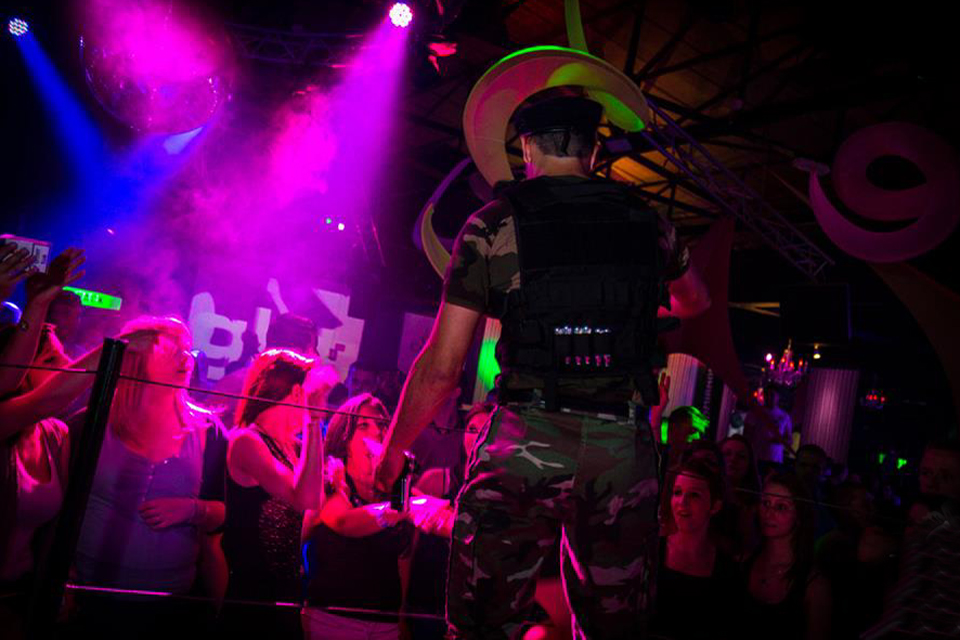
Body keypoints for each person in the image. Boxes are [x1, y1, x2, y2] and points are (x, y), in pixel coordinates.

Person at [375, 93, 709, 639]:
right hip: (621, 449)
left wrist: (392, 455)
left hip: (525, 441)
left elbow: (442, 366)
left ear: (528, 148)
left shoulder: (493, 225)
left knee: (484, 624)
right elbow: (696, 301)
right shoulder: (650, 224)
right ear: (593, 152)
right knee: (614, 627)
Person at [71, 316, 227, 639]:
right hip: (89, 594)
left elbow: (226, 515)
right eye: (171, 350)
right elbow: (60, 509)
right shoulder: (92, 420)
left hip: (170, 602)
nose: (186, 359)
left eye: (187, 350)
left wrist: (192, 510)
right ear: (135, 358)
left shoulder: (208, 431)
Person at [221, 348, 323, 637]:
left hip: (287, 589)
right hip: (251, 594)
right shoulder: (247, 441)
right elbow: (304, 499)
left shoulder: (295, 447)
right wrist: (314, 421)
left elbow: (313, 506)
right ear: (296, 392)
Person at [301, 393, 412, 640]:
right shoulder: (331, 481)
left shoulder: (394, 490)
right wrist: (395, 510)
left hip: (385, 624)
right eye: (363, 425)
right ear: (345, 438)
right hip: (334, 621)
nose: (376, 432)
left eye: (381, 425)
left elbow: (404, 557)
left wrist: (402, 615)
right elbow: (343, 521)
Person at [652, 458, 739, 639]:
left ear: (715, 506)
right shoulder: (652, 552)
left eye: (694, 495)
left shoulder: (726, 569)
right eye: (677, 492)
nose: (682, 503)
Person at [738, 472, 831, 640]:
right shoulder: (742, 562)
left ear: (799, 515)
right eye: (766, 503)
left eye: (781, 507)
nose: (769, 513)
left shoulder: (814, 586)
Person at [717, 435, 762, 559]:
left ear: (749, 464)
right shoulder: (706, 495)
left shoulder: (756, 503)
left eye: (741, 456)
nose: (733, 459)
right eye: (727, 454)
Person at [744, 385, 793, 468]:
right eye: (767, 394)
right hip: (757, 457)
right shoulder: (755, 412)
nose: (769, 397)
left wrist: (779, 440)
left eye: (772, 395)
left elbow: (789, 440)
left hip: (776, 459)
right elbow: (747, 436)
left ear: (778, 397)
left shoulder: (784, 416)